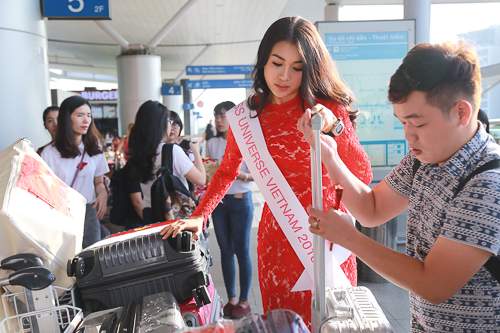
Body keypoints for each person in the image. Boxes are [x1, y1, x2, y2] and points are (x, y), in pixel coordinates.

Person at [160, 16, 371, 326]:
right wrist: (200, 215)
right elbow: (227, 171)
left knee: (333, 323)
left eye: (297, 68)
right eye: (277, 63)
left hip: (330, 241)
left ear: (311, 68)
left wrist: (335, 128)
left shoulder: (327, 109)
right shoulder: (249, 115)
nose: (285, 76)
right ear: (263, 61)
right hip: (277, 239)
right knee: (282, 324)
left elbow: (362, 174)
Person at [300, 42, 500, 332]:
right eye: (402, 122)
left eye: (417, 123)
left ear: (461, 112)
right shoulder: (426, 159)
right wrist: (330, 157)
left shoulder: (487, 185)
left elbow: (433, 283)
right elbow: (373, 208)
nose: (409, 136)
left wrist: (349, 238)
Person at [206, 101, 255, 319]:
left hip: (241, 200)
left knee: (242, 250)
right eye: (216, 116)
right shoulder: (212, 143)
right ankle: (232, 298)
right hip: (220, 203)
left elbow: (256, 175)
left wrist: (236, 174)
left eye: (222, 116)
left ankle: (244, 300)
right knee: (225, 251)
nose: (218, 120)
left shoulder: (247, 142)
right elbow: (209, 172)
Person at [41, 96, 109, 248]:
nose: (86, 120)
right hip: (61, 216)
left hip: (88, 212)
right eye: (80, 115)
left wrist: (102, 193)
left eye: (89, 115)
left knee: (91, 255)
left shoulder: (94, 147)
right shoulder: (49, 153)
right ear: (66, 118)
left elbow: (98, 181)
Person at [126, 100, 206, 224]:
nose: (171, 124)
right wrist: (196, 151)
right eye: (169, 121)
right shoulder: (172, 151)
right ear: (160, 125)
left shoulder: (136, 154)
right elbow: (201, 180)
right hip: (175, 221)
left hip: (150, 219)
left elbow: (137, 199)